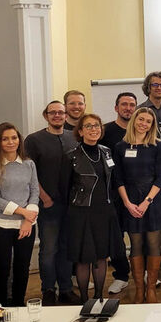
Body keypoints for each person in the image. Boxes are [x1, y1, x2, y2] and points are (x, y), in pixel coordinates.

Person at [58, 114, 119, 302]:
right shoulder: (72, 156)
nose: (94, 129)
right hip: (81, 212)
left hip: (104, 211)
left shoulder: (106, 151)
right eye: (89, 126)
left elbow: (113, 181)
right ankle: (85, 300)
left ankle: (99, 297)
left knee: (102, 257)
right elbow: (63, 187)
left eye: (97, 125)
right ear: (81, 131)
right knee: (84, 258)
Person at [112, 107, 161, 303]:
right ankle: (139, 289)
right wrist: (128, 203)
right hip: (129, 201)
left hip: (152, 201)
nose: (144, 123)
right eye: (141, 119)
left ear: (152, 125)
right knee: (136, 245)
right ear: (134, 120)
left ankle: (151, 289)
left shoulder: (157, 145)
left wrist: (147, 202)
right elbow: (117, 178)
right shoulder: (120, 146)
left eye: (148, 121)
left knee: (153, 244)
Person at [24, 101, 78, 305]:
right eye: (53, 112)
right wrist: (44, 198)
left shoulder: (73, 137)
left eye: (61, 112)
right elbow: (30, 172)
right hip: (47, 205)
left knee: (66, 248)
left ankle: (65, 289)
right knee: (49, 249)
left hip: (71, 204)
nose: (57, 115)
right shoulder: (34, 140)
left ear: (65, 116)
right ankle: (48, 289)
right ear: (46, 115)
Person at [0, 123, 38, 307]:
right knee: (2, 269)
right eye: (5, 138)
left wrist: (29, 220)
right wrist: (24, 213)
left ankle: (19, 305)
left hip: (26, 225)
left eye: (14, 138)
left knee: (22, 269)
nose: (10, 142)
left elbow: (35, 192)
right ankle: (0, 308)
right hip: (0, 225)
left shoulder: (29, 164)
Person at [99, 91, 136, 296]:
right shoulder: (105, 131)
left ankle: (143, 272)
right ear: (116, 108)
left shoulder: (141, 130)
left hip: (137, 194)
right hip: (111, 194)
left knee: (139, 236)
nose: (128, 108)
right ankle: (121, 276)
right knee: (116, 238)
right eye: (124, 104)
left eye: (132, 105)